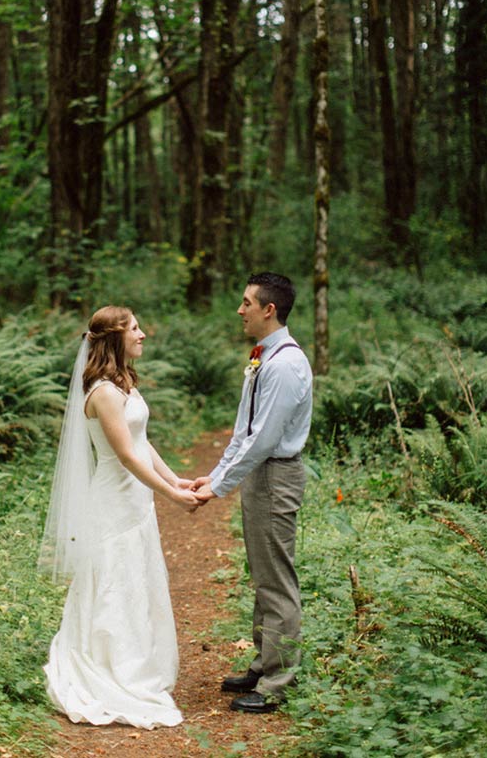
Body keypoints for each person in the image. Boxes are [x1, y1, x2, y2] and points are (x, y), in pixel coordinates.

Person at [38, 305, 199, 729]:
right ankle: (111, 669)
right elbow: (125, 456)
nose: (143, 334)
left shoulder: (123, 383)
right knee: (113, 583)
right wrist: (172, 496)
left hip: (136, 501)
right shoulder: (104, 393)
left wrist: (176, 480)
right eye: (135, 329)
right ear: (115, 338)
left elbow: (144, 444)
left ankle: (134, 660)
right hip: (112, 503)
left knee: (135, 580)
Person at [192, 272, 313, 713]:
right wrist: (216, 474)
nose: (239, 310)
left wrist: (219, 487)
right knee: (263, 573)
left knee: (277, 578)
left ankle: (278, 682)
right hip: (261, 474)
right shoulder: (264, 356)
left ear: (269, 310)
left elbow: (263, 440)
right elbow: (244, 429)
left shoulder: (285, 364)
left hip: (276, 474)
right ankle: (264, 664)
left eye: (246, 303)